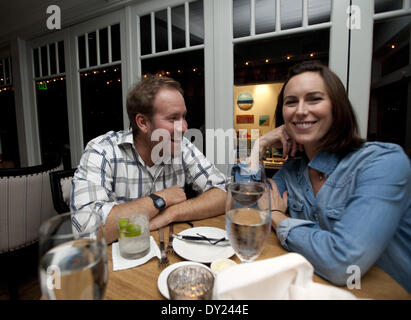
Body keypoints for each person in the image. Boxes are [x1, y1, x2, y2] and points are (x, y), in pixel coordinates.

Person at [254, 61, 411, 293]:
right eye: (291, 102)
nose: (300, 110)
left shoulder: (383, 163)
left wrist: (278, 217)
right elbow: (244, 206)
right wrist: (260, 145)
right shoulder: (293, 170)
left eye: (314, 99)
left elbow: (343, 263)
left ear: (337, 107)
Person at [71, 75, 226, 243]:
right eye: (173, 118)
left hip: (166, 251)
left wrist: (172, 213)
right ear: (143, 122)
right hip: (120, 261)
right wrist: (161, 198)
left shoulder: (182, 146)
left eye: (183, 117)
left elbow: (225, 193)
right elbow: (87, 229)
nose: (184, 128)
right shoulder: (102, 151)